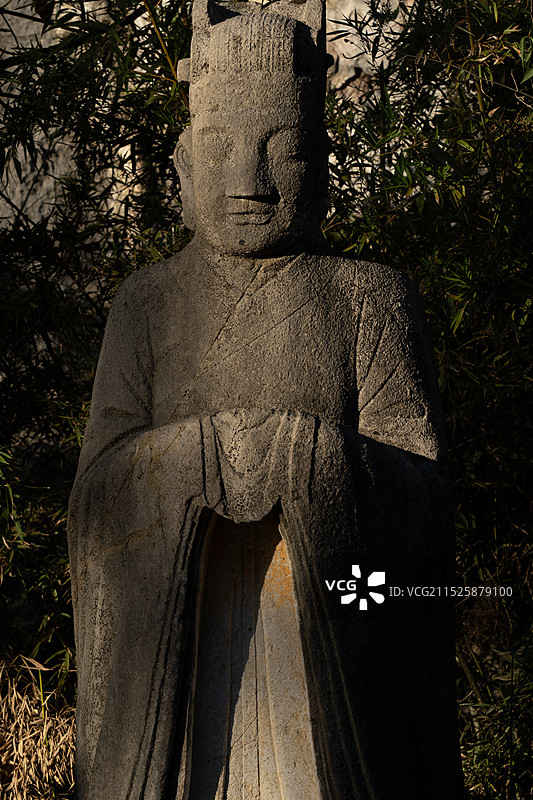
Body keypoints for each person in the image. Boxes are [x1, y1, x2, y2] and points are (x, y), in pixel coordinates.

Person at [68, 1, 465, 797]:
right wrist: (191, 457)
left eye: (280, 153)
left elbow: (425, 499)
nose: (246, 181)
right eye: (218, 151)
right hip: (182, 674)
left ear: (321, 164)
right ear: (181, 167)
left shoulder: (369, 298)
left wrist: (318, 460)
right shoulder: (145, 306)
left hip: (328, 668)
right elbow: (94, 500)